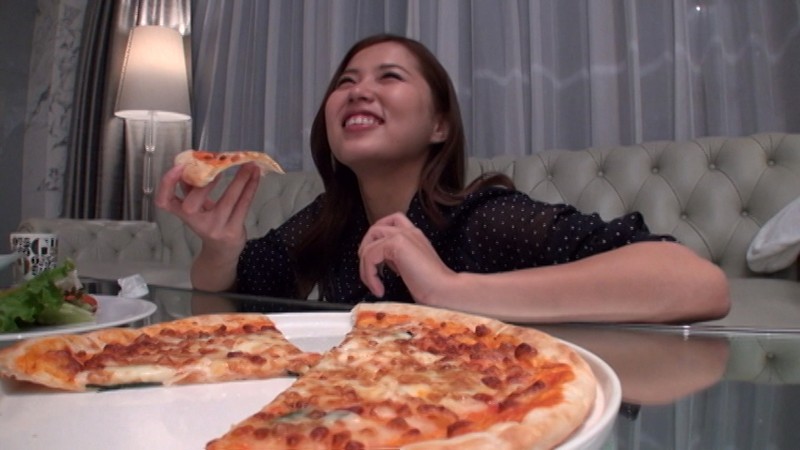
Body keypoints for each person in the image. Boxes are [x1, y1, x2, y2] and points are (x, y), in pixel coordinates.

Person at [155, 34, 729, 323]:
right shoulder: (331, 222)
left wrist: (449, 290)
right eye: (346, 81)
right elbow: (228, 305)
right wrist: (219, 249)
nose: (358, 90)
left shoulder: (481, 219)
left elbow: (697, 283)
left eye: (389, 77)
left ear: (439, 125)